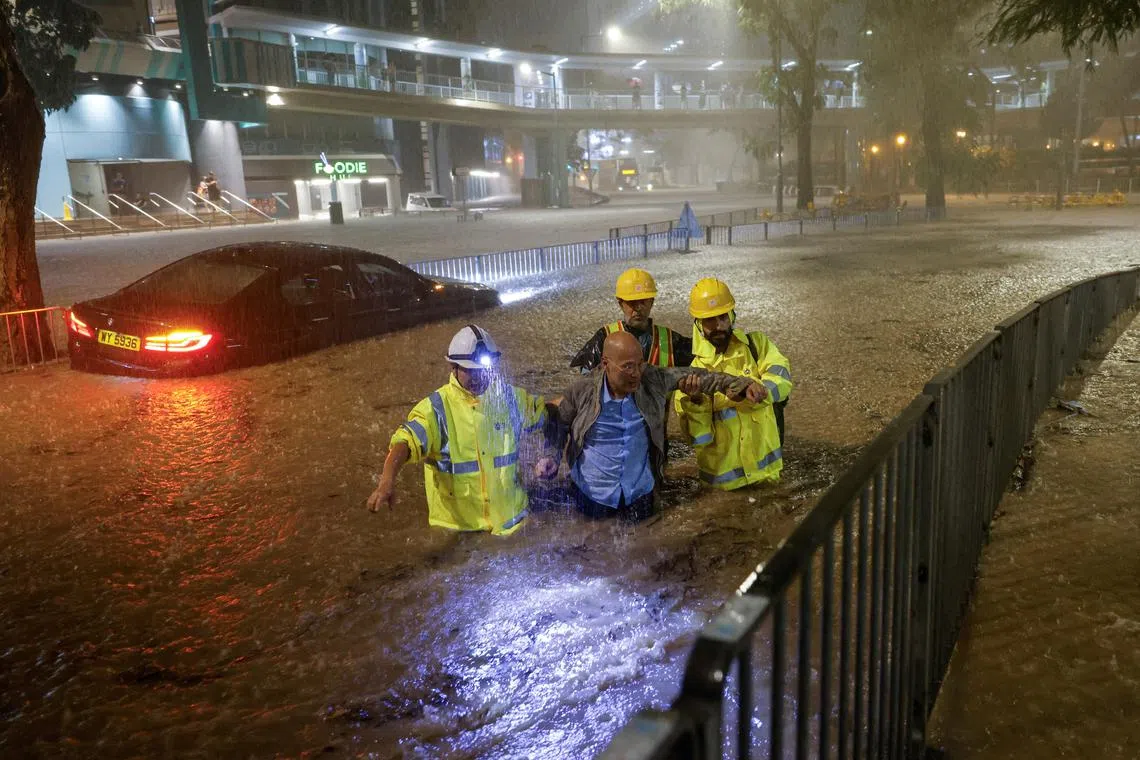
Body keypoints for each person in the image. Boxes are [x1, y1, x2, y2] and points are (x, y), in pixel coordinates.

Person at [548, 331, 763, 521]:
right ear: (605, 364)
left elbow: (703, 377)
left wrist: (742, 385)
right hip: (592, 494)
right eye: (627, 367)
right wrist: (552, 457)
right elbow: (560, 424)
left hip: (639, 494)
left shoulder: (652, 379)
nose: (636, 373)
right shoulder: (581, 391)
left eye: (639, 363)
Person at [367, 325, 555, 535]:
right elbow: (404, 443)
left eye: (483, 370)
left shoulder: (510, 399)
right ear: (453, 367)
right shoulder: (436, 409)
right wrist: (386, 482)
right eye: (470, 370)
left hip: (513, 525)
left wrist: (587, 393)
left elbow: (548, 412)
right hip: (461, 533)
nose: (478, 377)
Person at [675, 278, 792, 490]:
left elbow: (783, 380)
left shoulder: (757, 345)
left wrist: (761, 390)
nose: (718, 325)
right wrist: (695, 400)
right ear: (698, 325)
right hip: (723, 490)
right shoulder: (692, 375)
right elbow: (698, 439)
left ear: (732, 315)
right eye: (709, 320)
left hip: (767, 476)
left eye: (722, 317)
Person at [570, 268, 694, 373]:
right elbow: (586, 381)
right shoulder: (604, 337)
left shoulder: (671, 340)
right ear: (621, 304)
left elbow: (702, 353)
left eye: (643, 301)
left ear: (652, 302)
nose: (639, 308)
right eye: (632, 303)